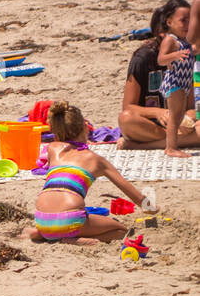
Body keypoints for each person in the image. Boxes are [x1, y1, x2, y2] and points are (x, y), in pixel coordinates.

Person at [21, 102, 154, 245]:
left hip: (42, 220)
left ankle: (44, 234)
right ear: (85, 127)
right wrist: (151, 208)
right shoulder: (96, 160)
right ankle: (72, 239)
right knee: (121, 230)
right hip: (71, 219)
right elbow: (135, 195)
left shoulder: (53, 149)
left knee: (64, 221)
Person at [118, 0, 200, 151]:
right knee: (126, 119)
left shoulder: (190, 55)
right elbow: (128, 107)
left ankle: (147, 146)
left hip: (180, 126)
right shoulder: (144, 58)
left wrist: (188, 118)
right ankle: (178, 141)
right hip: (152, 126)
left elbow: (192, 106)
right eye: (184, 21)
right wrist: (159, 112)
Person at [156, 0, 196, 157]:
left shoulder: (186, 40)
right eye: (183, 21)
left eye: (189, 20)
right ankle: (170, 148)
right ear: (169, 22)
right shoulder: (170, 39)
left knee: (180, 115)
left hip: (185, 82)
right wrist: (175, 55)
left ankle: (173, 145)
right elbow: (161, 60)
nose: (187, 24)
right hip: (175, 82)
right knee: (175, 114)